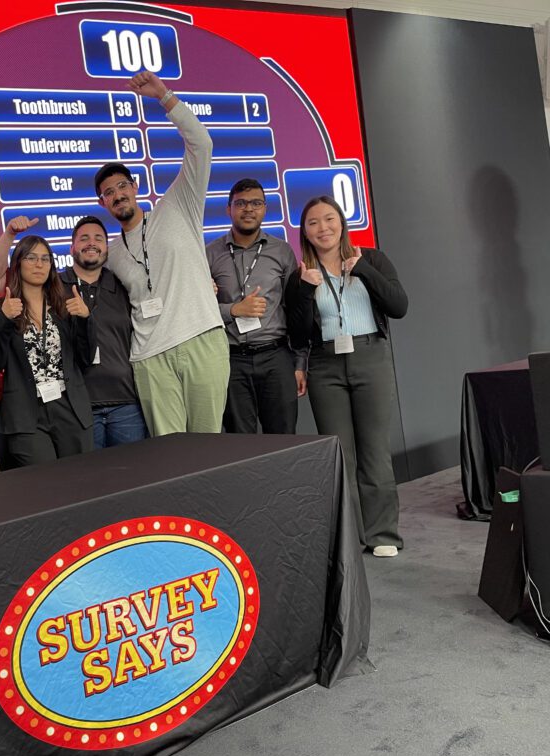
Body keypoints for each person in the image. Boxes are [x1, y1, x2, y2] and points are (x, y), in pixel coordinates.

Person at [94, 71, 228, 435]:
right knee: (171, 459)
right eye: (109, 192)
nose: (118, 194)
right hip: (150, 358)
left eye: (123, 185)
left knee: (209, 449)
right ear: (102, 202)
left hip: (201, 338)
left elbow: (201, 144)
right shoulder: (112, 253)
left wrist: (164, 97)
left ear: (135, 187)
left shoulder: (178, 206)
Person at [288, 195, 408, 557]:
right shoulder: (301, 275)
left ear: (342, 223)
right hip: (325, 365)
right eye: (313, 223)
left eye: (329, 219)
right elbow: (296, 333)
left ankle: (383, 534)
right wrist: (307, 291)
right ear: (305, 232)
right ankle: (350, 537)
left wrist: (364, 271)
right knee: (342, 454)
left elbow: (399, 306)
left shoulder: (371, 258)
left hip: (370, 356)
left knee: (374, 449)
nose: (322, 228)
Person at [0, 215, 147, 448]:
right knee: (88, 479)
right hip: (77, 405)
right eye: (84, 238)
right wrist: (9, 235)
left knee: (134, 475)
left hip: (125, 402)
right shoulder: (51, 286)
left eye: (99, 238)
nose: (92, 243)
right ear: (71, 248)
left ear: (106, 248)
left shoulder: (122, 284)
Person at [0, 235, 96, 465]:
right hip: (26, 414)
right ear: (18, 263)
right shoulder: (1, 309)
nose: (39, 264)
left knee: (82, 482)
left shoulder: (65, 305)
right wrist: (4, 320)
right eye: (31, 258)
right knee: (45, 487)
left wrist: (85, 320)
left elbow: (86, 358)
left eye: (45, 259)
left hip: (69, 407)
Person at [207, 178, 306, 434]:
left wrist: (299, 362)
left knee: (284, 439)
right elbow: (198, 312)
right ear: (229, 209)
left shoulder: (282, 251)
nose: (248, 209)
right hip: (231, 360)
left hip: (276, 357)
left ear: (264, 208)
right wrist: (233, 310)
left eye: (256, 203)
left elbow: (295, 310)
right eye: (240, 203)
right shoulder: (209, 254)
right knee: (242, 445)